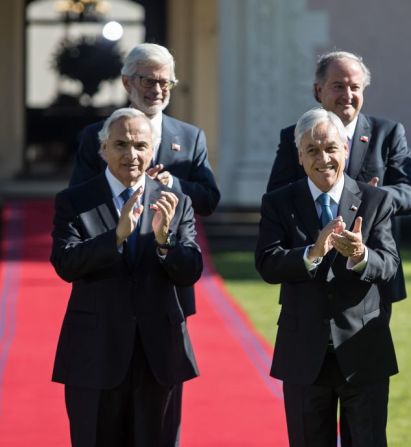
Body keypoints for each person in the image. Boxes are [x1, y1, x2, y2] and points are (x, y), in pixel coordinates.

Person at [69, 43, 217, 440]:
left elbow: (209, 198)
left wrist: (175, 186)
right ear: (127, 82)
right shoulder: (94, 138)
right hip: (106, 293)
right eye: (148, 80)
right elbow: (78, 203)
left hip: (164, 295)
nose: (157, 88)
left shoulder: (189, 137)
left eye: (165, 81)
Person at [51, 108, 202, 446]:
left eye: (140, 145)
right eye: (120, 144)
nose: (131, 155)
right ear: (103, 149)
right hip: (94, 354)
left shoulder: (174, 201)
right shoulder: (74, 201)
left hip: (158, 356)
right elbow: (65, 264)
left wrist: (165, 242)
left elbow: (190, 270)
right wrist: (115, 237)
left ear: (152, 150)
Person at [256, 108, 400, 446]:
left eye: (331, 148)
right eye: (313, 150)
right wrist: (313, 253)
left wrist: (362, 256)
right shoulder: (279, 202)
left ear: (346, 150)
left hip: (363, 352)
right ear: (300, 157)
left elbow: (390, 264)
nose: (324, 158)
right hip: (304, 354)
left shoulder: (375, 200)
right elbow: (267, 263)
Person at [266, 50, 411, 304]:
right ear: (318, 91)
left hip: (369, 274)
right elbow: (278, 194)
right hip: (310, 277)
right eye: (338, 86)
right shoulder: (295, 136)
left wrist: (372, 197)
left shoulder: (388, 134)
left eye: (355, 87)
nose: (348, 96)